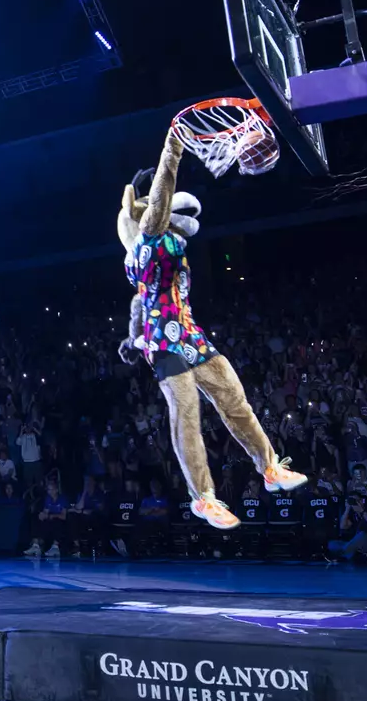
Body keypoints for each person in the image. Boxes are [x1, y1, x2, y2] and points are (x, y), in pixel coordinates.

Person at [114, 130, 305, 531]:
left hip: (189, 334)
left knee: (234, 398)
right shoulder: (149, 239)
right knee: (186, 413)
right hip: (165, 343)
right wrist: (172, 150)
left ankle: (269, 468)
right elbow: (163, 193)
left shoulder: (171, 247)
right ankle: (204, 498)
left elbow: (139, 301)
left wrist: (130, 338)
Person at [329, 488, 367, 564]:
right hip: (360, 547)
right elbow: (343, 526)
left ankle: (343, 554)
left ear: (362, 501)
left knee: (362, 535)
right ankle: (346, 553)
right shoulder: (353, 514)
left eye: (357, 501)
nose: (355, 503)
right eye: (352, 501)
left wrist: (362, 511)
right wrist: (347, 509)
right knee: (332, 543)